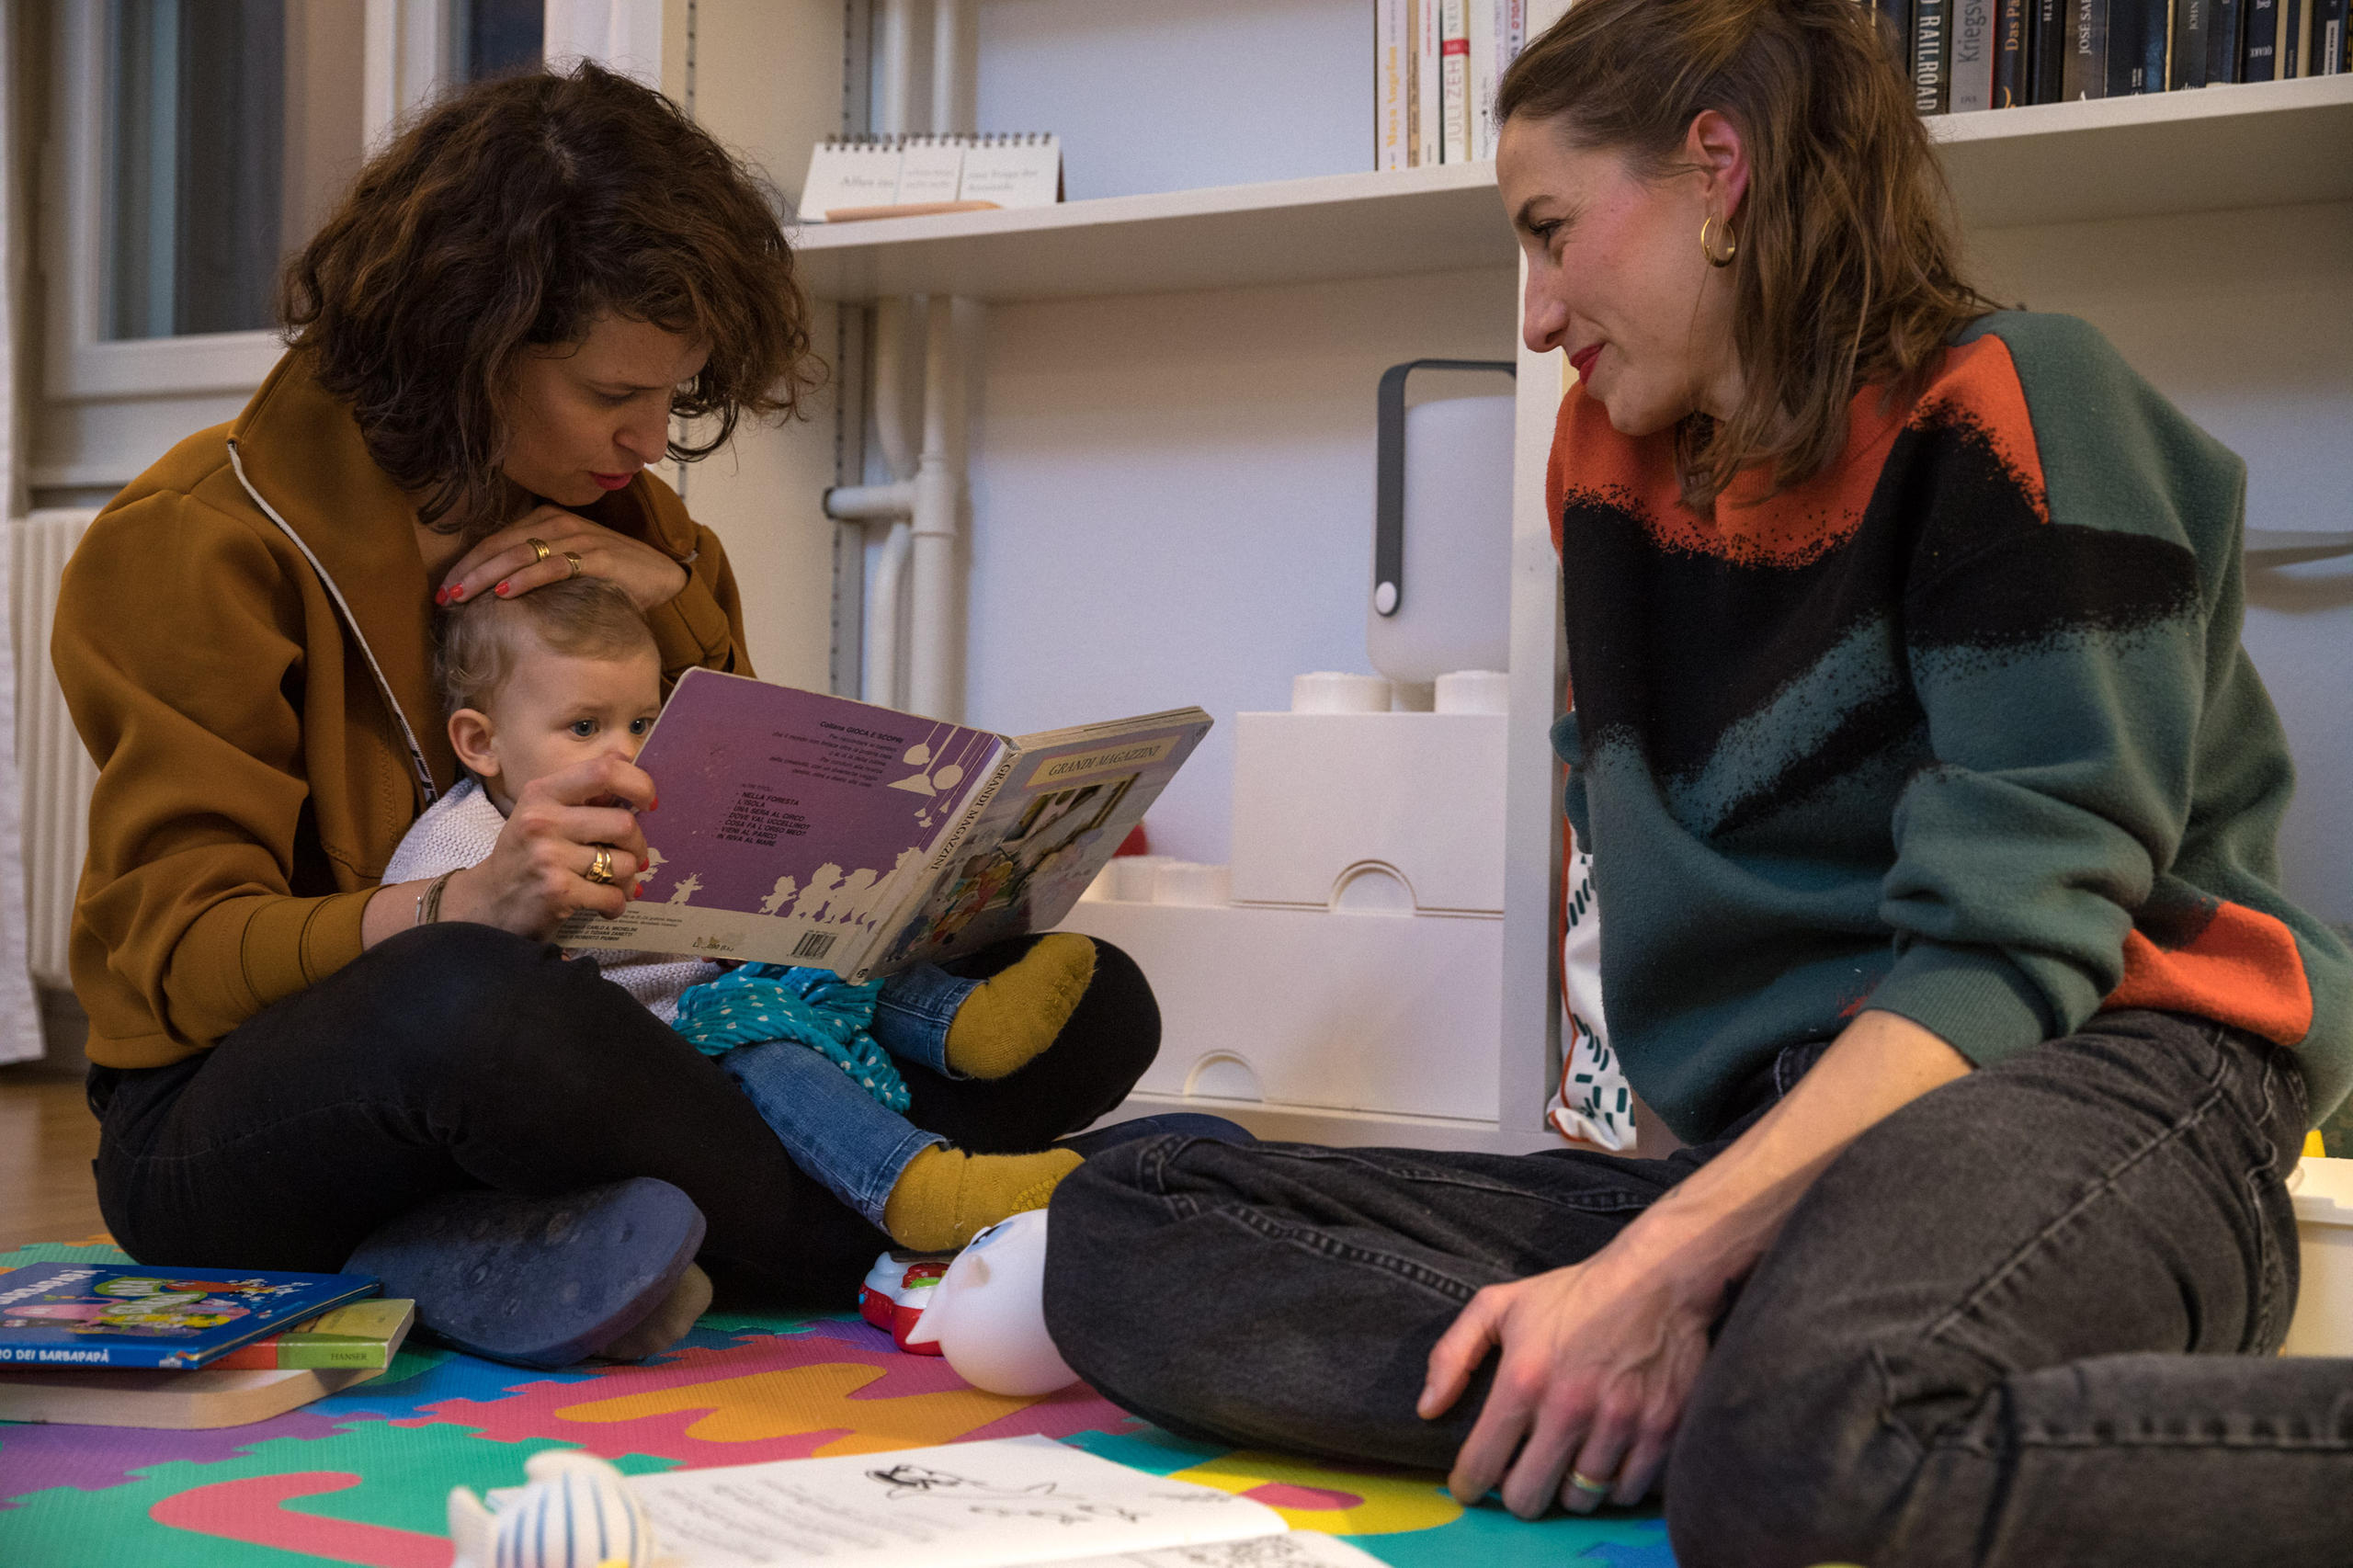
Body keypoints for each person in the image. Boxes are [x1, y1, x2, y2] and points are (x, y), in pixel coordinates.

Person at [1041, 3, 2353, 1564]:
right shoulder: (1608, 463)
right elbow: (1643, 896)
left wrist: (1664, 1267)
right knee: (1124, 1221)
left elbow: (2021, 945)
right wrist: (1659, 1248)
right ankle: (1733, 1397)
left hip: (2096, 1071)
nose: (1535, 317)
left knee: (1798, 1463)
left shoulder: (2012, 401)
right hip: (1794, 1147)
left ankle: (1777, 1417)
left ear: (1717, 170)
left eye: (1550, 231)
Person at [59, 63, 1162, 1369]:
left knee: (1100, 1006)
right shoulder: (196, 541)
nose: (648, 441)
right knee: (471, 999)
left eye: (674, 399)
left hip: (622, 1034)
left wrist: (683, 595)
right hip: (240, 1117)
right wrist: (456, 908)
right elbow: (173, 962)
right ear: (462, 338)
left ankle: (523, 1240)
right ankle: (914, 1225)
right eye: (611, 394)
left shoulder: (623, 519)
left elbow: (725, 880)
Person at [386, 576, 1098, 1254]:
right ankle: (914, 1185)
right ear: (481, 743)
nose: (626, 753)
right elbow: (434, 992)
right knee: (766, 1051)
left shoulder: (650, 808)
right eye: (583, 726)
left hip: (729, 980)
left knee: (830, 943)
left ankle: (965, 1024)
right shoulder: (460, 844)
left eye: (642, 722)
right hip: (654, 1045)